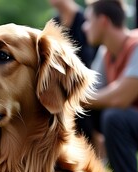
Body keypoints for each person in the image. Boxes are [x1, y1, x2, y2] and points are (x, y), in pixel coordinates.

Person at [82, 0, 138, 172]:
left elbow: (120, 98)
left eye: (88, 21)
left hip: (131, 121)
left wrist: (70, 99)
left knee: (115, 116)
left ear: (103, 21)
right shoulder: (107, 53)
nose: (85, 27)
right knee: (95, 112)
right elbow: (91, 94)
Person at [48, 0, 102, 155]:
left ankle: (96, 153)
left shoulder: (85, 20)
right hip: (60, 85)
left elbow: (94, 63)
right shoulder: (54, 23)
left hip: (87, 85)